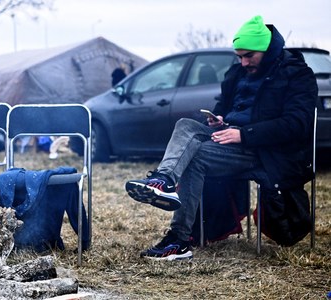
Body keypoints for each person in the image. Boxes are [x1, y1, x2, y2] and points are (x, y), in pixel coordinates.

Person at [124, 15, 317, 260]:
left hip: (267, 154)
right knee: (186, 124)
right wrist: (220, 118)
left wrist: (244, 134)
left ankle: (178, 240)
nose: (243, 61)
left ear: (266, 50)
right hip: (231, 140)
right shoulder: (238, 72)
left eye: (249, 56)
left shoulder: (296, 74)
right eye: (239, 56)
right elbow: (226, 106)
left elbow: (297, 124)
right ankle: (163, 181)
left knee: (195, 158)